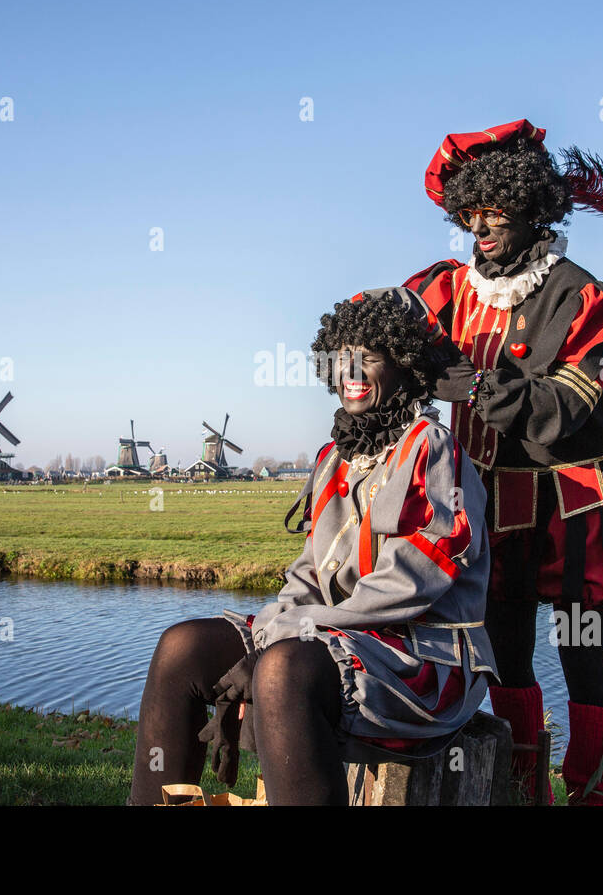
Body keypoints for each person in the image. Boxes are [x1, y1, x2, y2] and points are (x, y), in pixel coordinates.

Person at [403, 117, 603, 804]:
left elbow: (562, 411)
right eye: (470, 215)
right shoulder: (448, 288)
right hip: (489, 506)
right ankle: (523, 790)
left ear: (533, 208)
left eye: (495, 213)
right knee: (507, 657)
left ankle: (593, 794)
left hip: (573, 507)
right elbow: (389, 333)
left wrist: (478, 385)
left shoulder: (583, 295)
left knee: (584, 659)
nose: (479, 229)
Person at [127, 289, 497, 806]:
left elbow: (406, 584)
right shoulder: (334, 457)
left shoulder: (431, 449)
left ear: (406, 364)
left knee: (282, 671)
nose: (353, 370)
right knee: (182, 648)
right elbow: (307, 574)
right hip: (331, 639)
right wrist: (267, 636)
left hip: (421, 659)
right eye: (342, 354)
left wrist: (277, 646)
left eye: (370, 356)